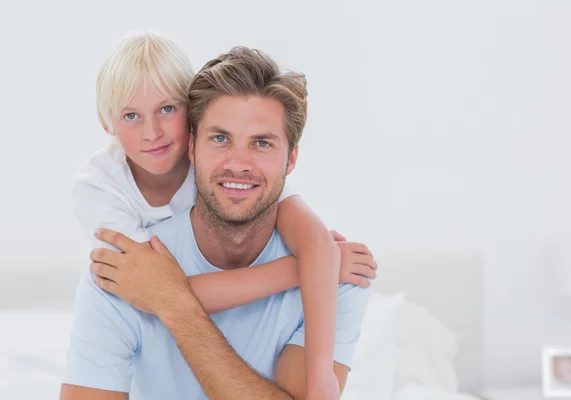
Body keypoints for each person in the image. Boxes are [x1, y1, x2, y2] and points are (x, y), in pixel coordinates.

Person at [69, 31, 376, 397]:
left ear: (291, 159)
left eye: (261, 143)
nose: (239, 164)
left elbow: (317, 246)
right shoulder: (114, 270)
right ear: (195, 146)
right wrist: (300, 269)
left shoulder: (337, 276)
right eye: (220, 139)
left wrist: (321, 370)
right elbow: (152, 285)